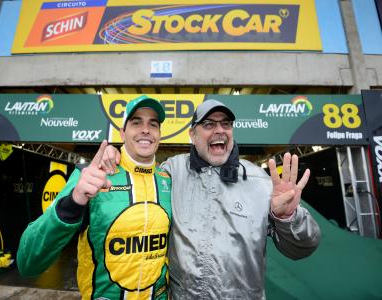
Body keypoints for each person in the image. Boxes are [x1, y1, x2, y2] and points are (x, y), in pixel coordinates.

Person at [101, 99, 321, 299]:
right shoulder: (172, 172)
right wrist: (115, 155)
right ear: (192, 135)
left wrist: (288, 217)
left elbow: (301, 249)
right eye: (208, 124)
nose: (219, 130)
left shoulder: (259, 181)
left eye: (225, 124)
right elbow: (142, 170)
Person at [17, 95, 172, 300]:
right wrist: (72, 203)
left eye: (153, 124)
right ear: (122, 133)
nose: (146, 129)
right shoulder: (91, 175)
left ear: (159, 134)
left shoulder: (168, 180)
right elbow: (27, 263)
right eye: (136, 122)